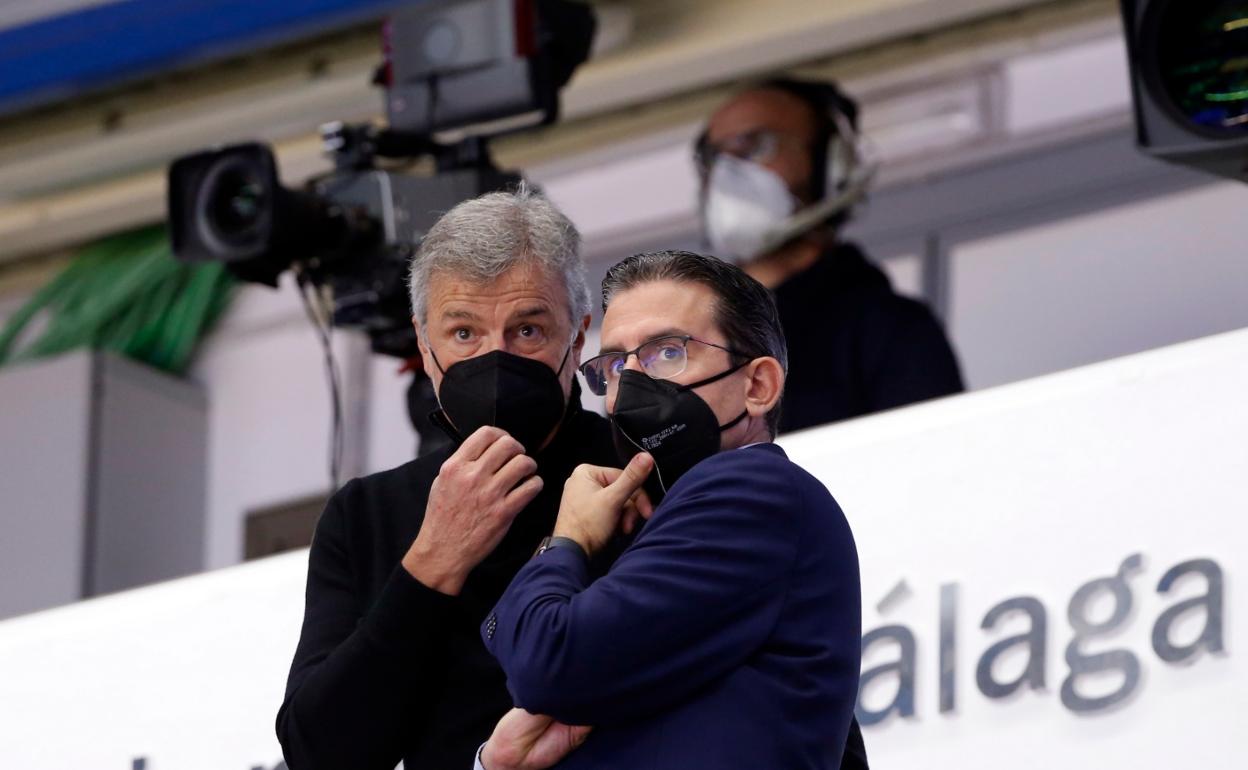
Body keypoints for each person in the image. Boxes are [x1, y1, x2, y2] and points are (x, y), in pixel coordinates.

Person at [275, 186, 631, 769]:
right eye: (464, 334)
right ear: (424, 342)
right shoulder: (368, 514)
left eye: (528, 330)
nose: (496, 358)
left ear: (579, 332)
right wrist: (433, 560)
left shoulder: (641, 471)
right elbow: (319, 751)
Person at [479, 250, 862, 769]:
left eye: (666, 352)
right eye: (615, 365)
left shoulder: (750, 489)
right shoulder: (654, 541)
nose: (629, 388)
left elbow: (548, 660)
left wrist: (565, 539)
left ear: (757, 386)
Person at [697, 77, 964, 433]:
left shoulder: (889, 330)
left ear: (830, 164)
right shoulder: (688, 341)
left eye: (753, 146)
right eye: (716, 156)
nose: (727, 172)